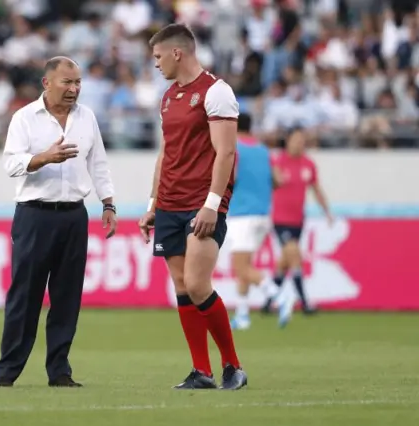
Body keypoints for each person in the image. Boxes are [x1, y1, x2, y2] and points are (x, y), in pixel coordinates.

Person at [0, 56, 117, 388]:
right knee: (25, 297)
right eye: (67, 82)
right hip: (35, 215)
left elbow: (99, 163)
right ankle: (7, 372)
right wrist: (42, 158)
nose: (74, 89)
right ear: (47, 83)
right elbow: (10, 163)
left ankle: (59, 371)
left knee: (67, 297)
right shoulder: (24, 118)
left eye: (78, 82)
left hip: (74, 216)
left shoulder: (87, 117)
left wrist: (108, 202)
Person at [139, 24, 247, 391]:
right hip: (169, 203)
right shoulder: (168, 97)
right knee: (183, 287)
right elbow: (166, 153)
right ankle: (201, 371)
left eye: (157, 57)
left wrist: (212, 205)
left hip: (201, 203)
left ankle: (233, 365)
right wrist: (153, 203)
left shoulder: (217, 92)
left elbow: (227, 152)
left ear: (177, 53)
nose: (155, 64)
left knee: (199, 284)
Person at [226, 113, 294, 331]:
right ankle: (243, 315)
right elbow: (278, 180)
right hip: (263, 215)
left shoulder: (234, 148)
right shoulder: (263, 150)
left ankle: (280, 296)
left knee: (241, 269)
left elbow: (230, 177)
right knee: (246, 266)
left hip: (242, 215)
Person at [261, 127, 332, 315]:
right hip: (280, 220)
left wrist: (327, 212)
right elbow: (266, 186)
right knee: (294, 254)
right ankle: (305, 302)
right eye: (297, 139)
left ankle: (268, 302)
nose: (300, 143)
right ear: (288, 140)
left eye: (303, 140)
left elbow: (316, 189)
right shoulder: (278, 161)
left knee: (285, 262)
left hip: (298, 221)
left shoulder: (308, 164)